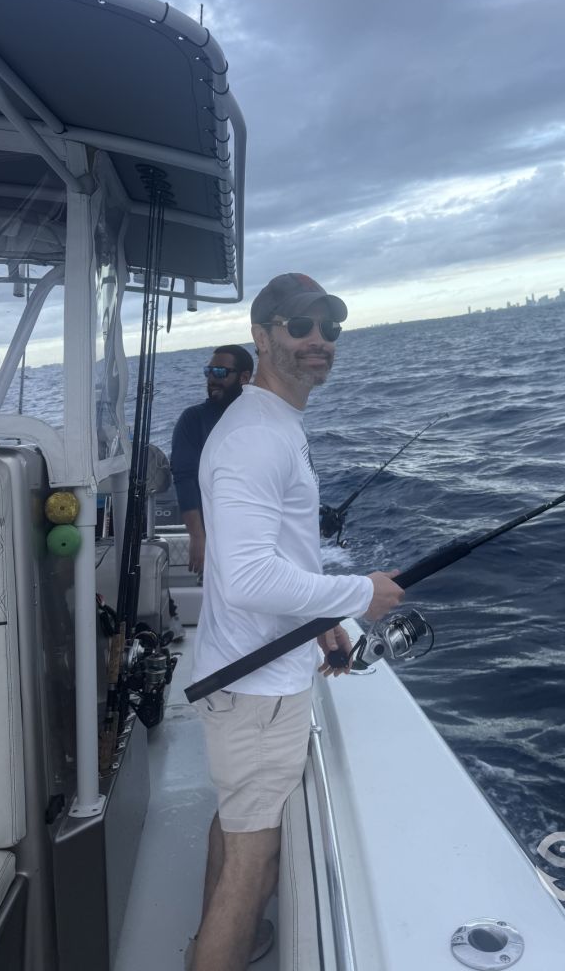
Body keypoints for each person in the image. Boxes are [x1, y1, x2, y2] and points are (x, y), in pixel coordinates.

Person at [187, 273, 404, 971]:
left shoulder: (274, 423)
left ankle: (221, 942)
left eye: (329, 328)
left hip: (250, 673)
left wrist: (317, 619)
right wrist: (356, 594)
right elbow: (247, 578)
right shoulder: (256, 437)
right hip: (257, 694)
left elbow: (273, 554)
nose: (319, 340)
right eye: (300, 326)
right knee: (252, 861)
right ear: (262, 336)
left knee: (237, 825)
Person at [170, 344, 254, 574]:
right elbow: (184, 478)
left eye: (220, 372)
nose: (212, 379)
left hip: (258, 535)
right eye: (208, 372)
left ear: (244, 377)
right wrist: (197, 537)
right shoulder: (192, 420)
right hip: (217, 539)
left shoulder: (259, 417)